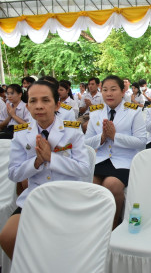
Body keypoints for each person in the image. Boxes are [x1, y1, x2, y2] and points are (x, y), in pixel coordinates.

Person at [0, 80, 90, 260]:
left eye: (45, 100)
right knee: (8, 236)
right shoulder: (21, 133)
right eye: (33, 101)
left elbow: (84, 169)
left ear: (57, 104)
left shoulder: (72, 131)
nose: (39, 106)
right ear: (28, 106)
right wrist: (36, 161)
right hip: (36, 196)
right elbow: (14, 173)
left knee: (60, 242)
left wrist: (51, 158)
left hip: (67, 195)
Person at [85, 75, 146, 229]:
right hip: (101, 159)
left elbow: (141, 142)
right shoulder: (96, 113)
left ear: (122, 91)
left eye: (113, 89)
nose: (109, 94)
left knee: (111, 184)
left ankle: (112, 226)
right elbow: (86, 142)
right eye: (105, 90)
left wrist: (115, 137)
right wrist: (103, 137)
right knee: (90, 185)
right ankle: (94, 226)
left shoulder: (134, 112)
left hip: (123, 161)